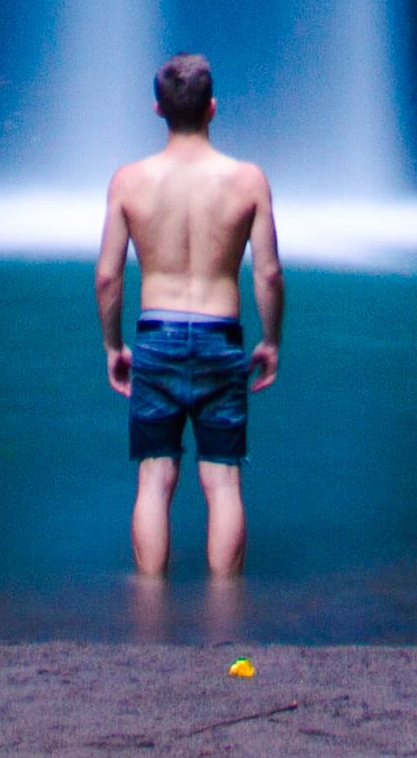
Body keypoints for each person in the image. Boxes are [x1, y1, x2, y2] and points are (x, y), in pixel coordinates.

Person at [98, 50, 283, 578]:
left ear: (157, 109)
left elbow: (108, 276)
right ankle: (226, 614)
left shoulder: (129, 182)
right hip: (221, 337)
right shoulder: (248, 181)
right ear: (213, 109)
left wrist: (113, 347)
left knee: (154, 479)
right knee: (222, 481)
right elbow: (268, 273)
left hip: (154, 336)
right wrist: (270, 341)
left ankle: (149, 607)